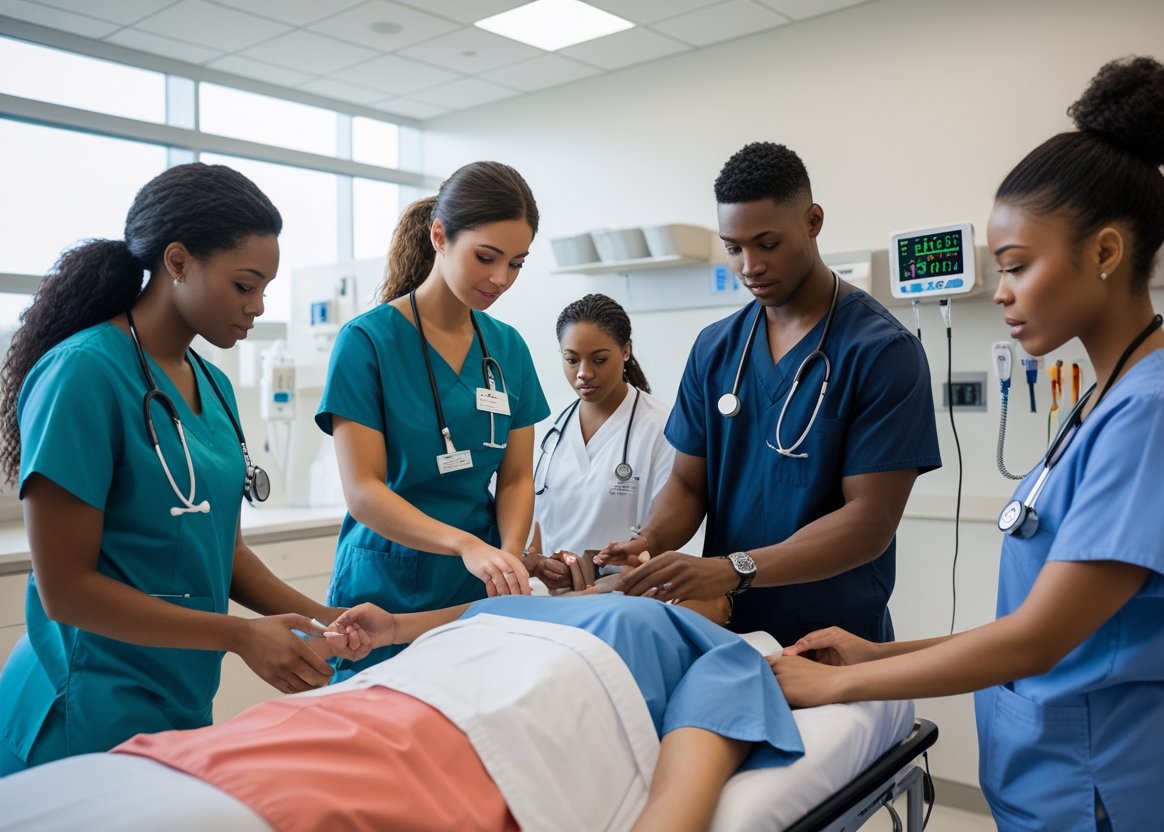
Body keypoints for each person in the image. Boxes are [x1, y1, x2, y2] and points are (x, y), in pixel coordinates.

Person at [769, 57, 1164, 831]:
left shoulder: (1158, 415)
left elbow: (1040, 640)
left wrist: (840, 689)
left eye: (1016, 266)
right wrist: (877, 657)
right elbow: (1040, 616)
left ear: (1105, 253)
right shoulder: (1103, 403)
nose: (1001, 291)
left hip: (1107, 788)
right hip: (1054, 777)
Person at [0, 164, 346, 774]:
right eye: (244, 286)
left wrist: (328, 619)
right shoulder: (82, 372)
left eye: (265, 288)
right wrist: (239, 635)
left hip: (177, 691)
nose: (258, 307)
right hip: (84, 700)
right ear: (178, 261)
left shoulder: (211, 383)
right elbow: (65, 589)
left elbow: (223, 550)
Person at [0, 593, 804, 832]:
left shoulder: (722, 649)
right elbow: (478, 618)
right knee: (274, 740)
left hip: (474, 731)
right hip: (375, 696)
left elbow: (702, 752)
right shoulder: (560, 601)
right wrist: (398, 630)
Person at [599, 142, 941, 647]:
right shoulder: (717, 349)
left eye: (767, 243)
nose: (749, 265)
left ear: (813, 221)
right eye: (734, 247)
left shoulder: (882, 352)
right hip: (721, 625)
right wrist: (649, 540)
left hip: (831, 638)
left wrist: (735, 568)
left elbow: (870, 520)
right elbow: (691, 485)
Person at [318, 161, 548, 678]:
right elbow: (364, 491)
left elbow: (516, 477)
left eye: (516, 263)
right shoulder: (368, 342)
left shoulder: (507, 348)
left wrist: (506, 557)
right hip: (386, 583)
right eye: (486, 257)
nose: (500, 279)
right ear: (439, 236)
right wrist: (466, 545)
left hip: (475, 589)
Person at [528, 293, 678, 591]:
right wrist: (539, 561)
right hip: (553, 597)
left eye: (599, 360)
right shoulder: (550, 429)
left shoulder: (662, 427)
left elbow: (665, 532)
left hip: (627, 595)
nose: (583, 373)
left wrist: (608, 576)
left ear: (625, 351)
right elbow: (537, 525)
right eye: (571, 360)